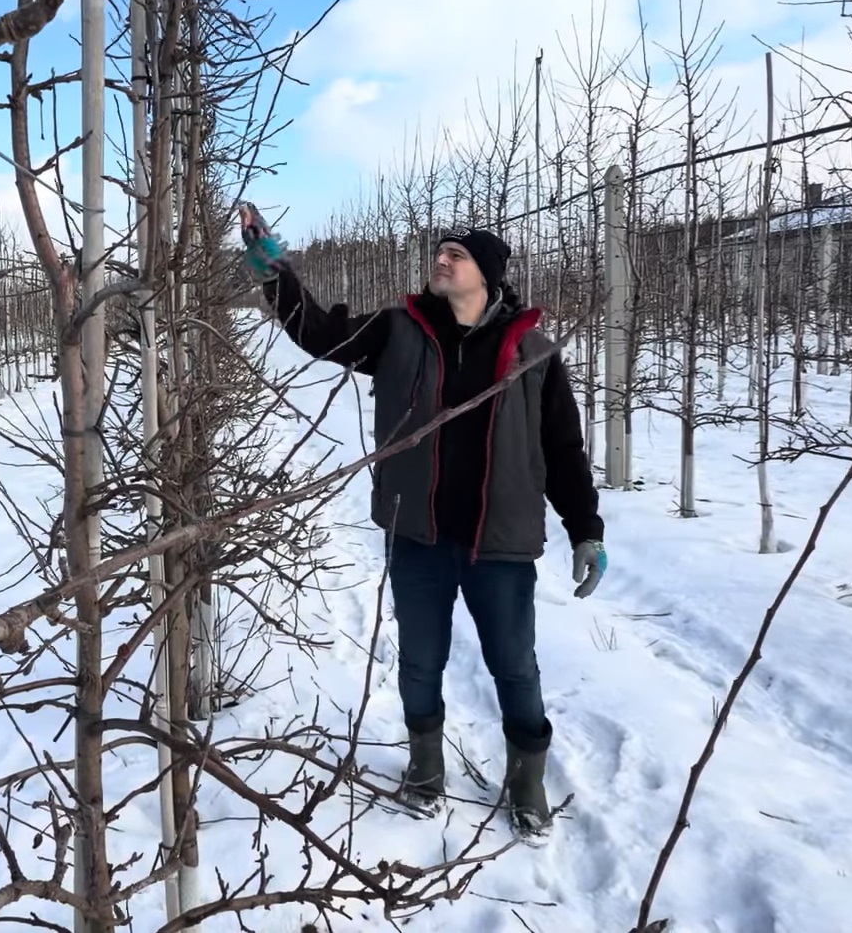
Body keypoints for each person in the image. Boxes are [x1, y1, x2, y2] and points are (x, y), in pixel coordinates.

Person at [238, 202, 606, 836]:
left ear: (487, 274)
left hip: (501, 541)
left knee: (515, 666)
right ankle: (425, 766)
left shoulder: (534, 353)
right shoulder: (398, 331)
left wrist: (586, 530)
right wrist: (278, 275)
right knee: (419, 659)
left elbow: (563, 449)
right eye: (438, 253)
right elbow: (320, 333)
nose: (441, 260)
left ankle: (527, 782)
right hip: (418, 534)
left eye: (455, 255)